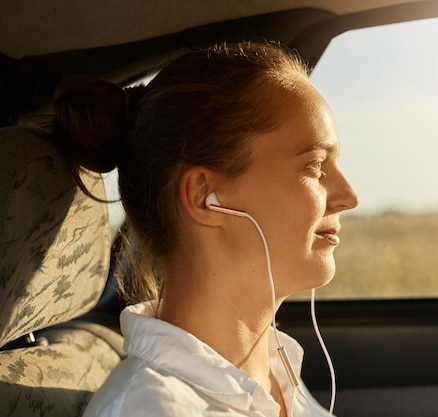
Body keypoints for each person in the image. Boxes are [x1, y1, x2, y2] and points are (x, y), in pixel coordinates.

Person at [35, 41, 359, 417]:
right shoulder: (151, 409)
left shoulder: (273, 368)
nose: (349, 196)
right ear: (205, 196)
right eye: (315, 166)